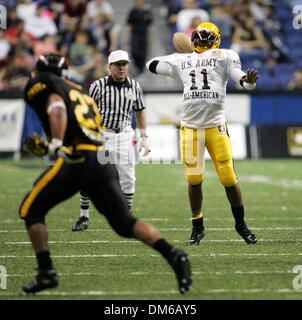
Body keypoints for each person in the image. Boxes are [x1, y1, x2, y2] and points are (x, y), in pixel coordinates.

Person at [20, 53, 192, 294]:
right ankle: (173, 254)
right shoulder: (84, 88)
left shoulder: (49, 86)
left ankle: (46, 272)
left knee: (31, 210)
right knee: (124, 223)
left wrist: (55, 144)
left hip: (79, 156)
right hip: (98, 151)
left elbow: (57, 108)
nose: (122, 68)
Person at [146, 22, 259, 246]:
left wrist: (249, 82)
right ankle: (198, 227)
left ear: (216, 39)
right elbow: (151, 64)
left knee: (228, 178)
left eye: (207, 38)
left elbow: (242, 80)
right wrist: (185, 56)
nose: (203, 42)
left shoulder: (224, 55)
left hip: (215, 127)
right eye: (200, 37)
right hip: (191, 128)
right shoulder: (183, 60)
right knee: (194, 179)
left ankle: (241, 225)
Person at [72, 50, 149, 231]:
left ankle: (126, 216)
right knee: (90, 176)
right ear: (110, 67)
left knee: (128, 178)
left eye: (124, 64)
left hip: (124, 135)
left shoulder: (134, 86)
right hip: (102, 136)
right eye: (118, 65)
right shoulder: (98, 86)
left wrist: (144, 137)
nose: (122, 68)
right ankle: (84, 216)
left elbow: (139, 111)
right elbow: (88, 110)